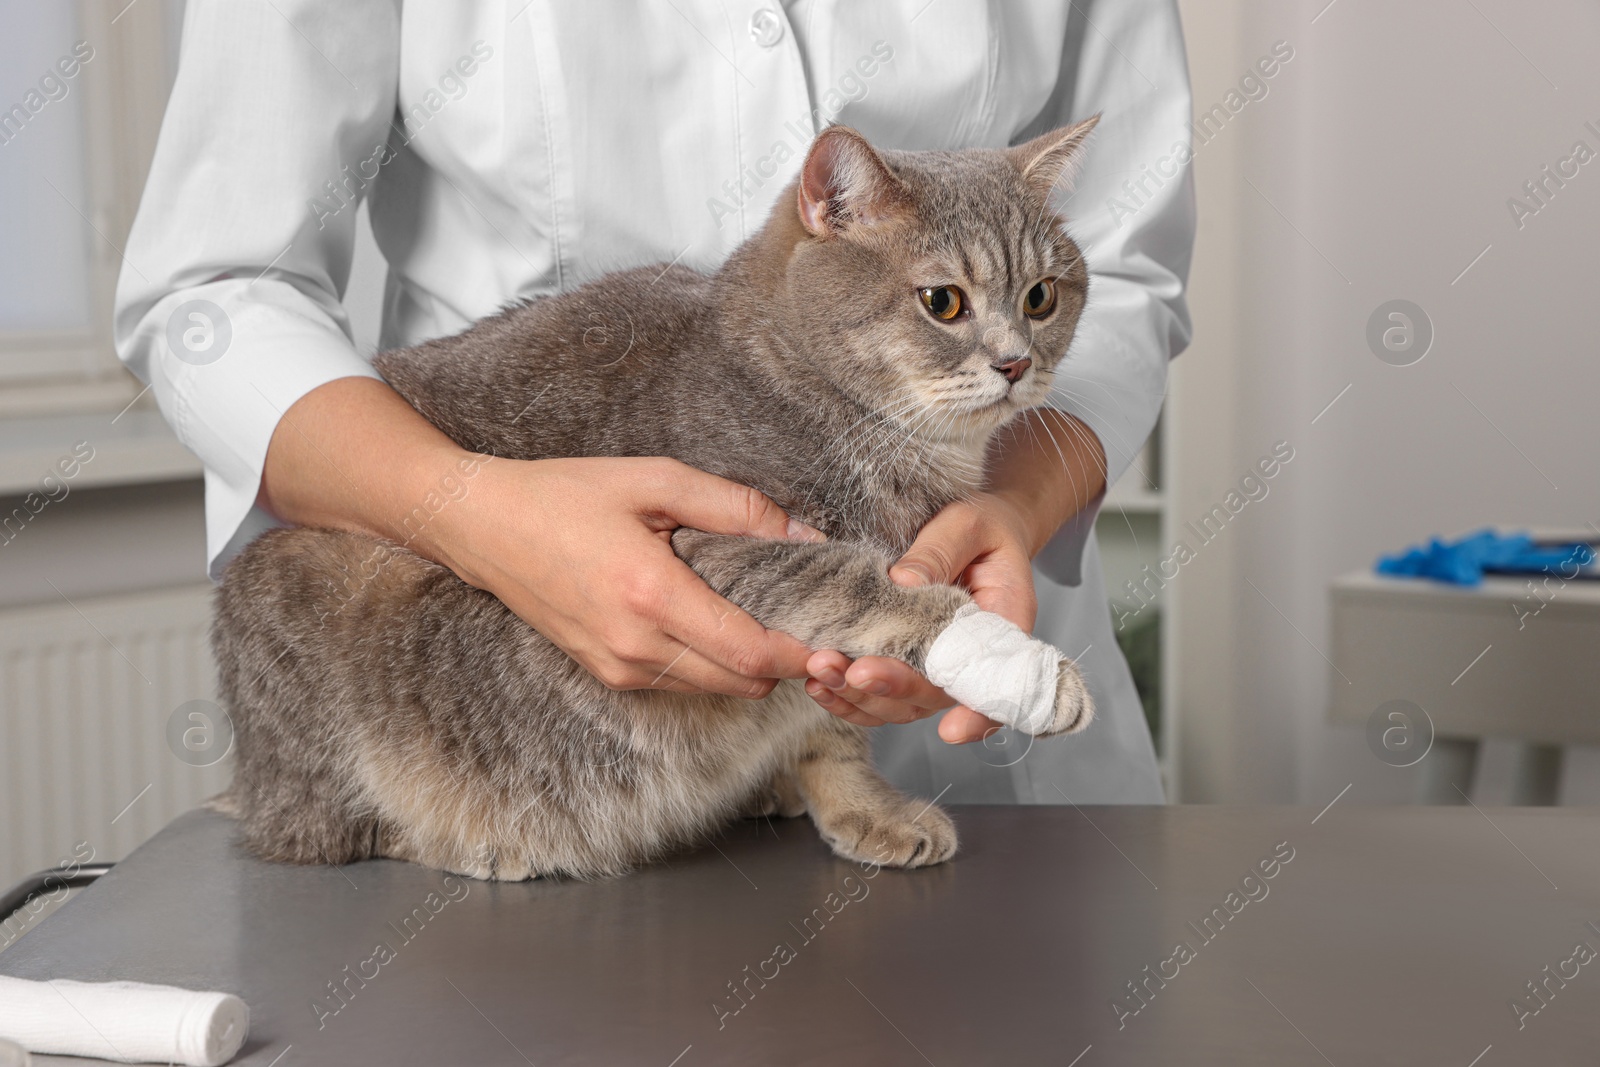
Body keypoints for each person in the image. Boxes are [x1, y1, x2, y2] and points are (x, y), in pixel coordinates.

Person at [115, 1, 1194, 805]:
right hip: (516, 691)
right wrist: (484, 520)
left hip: (971, 758)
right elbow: (217, 290)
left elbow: (1129, 258)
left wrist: (1010, 511)